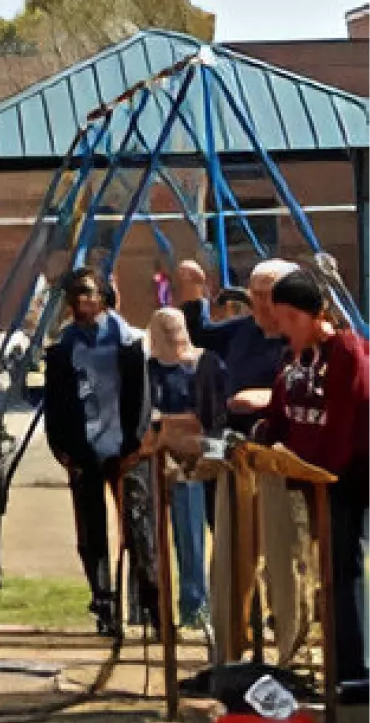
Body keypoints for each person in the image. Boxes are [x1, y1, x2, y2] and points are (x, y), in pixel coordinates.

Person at [175, 258, 307, 657]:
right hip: (234, 458)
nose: (260, 304)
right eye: (255, 294)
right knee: (233, 556)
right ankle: (235, 645)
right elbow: (200, 333)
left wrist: (269, 398)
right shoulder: (242, 331)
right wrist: (193, 292)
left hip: (283, 463)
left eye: (269, 296)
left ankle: (291, 650)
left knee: (285, 560)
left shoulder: (300, 339)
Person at [259, 269, 370, 683]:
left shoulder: (346, 352)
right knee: (335, 572)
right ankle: (345, 669)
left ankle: (355, 670)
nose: (283, 327)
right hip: (322, 482)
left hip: (348, 477)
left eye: (290, 318)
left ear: (314, 314)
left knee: (344, 570)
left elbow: (343, 424)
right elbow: (284, 412)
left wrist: (317, 470)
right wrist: (266, 436)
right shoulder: (299, 358)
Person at [42, 268, 158, 637]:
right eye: (76, 293)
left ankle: (151, 605)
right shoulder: (63, 347)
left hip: (126, 450)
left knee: (139, 529)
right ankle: (104, 603)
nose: (82, 300)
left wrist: (136, 444)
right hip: (84, 450)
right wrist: (61, 448)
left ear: (104, 297)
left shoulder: (128, 342)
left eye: (89, 292)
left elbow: (142, 397)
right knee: (91, 533)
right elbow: (54, 402)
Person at [146, 307, 214, 628]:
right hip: (153, 456)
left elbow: (205, 414)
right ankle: (147, 606)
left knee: (191, 534)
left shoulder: (199, 366)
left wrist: (168, 425)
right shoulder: (148, 370)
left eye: (176, 328)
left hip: (192, 458)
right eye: (165, 329)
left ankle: (195, 606)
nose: (172, 335)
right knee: (148, 533)